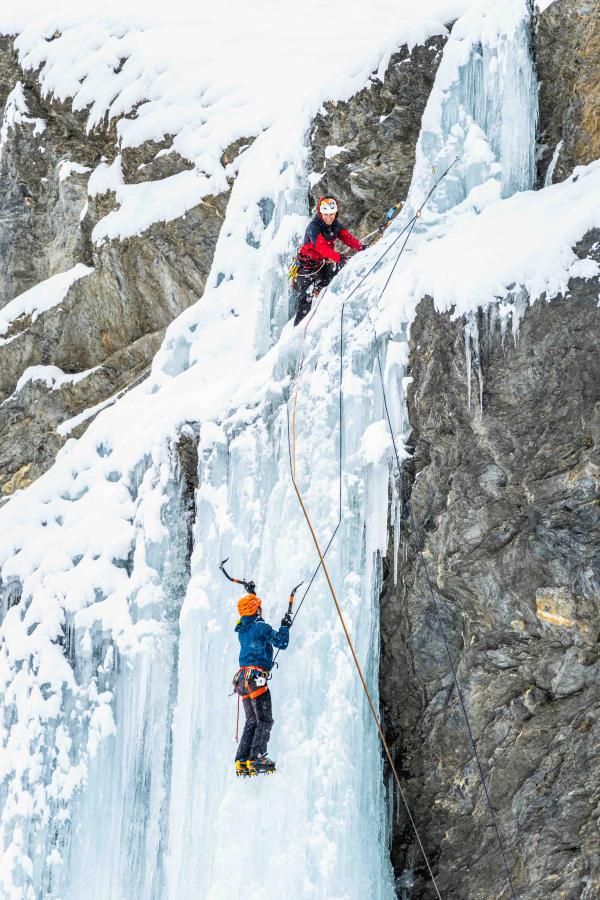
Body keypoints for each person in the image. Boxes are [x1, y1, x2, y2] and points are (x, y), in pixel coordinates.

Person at [233, 590, 292, 776]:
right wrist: (285, 627)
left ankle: (242, 760)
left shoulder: (243, 631)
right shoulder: (261, 628)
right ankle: (257, 757)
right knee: (264, 719)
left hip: (242, 681)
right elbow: (281, 643)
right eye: (260, 607)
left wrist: (251, 592)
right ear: (256, 609)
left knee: (252, 721)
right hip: (255, 679)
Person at [291, 195, 364, 326]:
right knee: (305, 300)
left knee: (330, 283)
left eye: (331, 214)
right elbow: (321, 247)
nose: (329, 218)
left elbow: (347, 238)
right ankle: (298, 328)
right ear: (320, 213)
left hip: (322, 263)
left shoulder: (335, 225)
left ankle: (321, 299)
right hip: (307, 265)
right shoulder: (314, 227)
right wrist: (339, 258)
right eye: (326, 214)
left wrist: (361, 247)